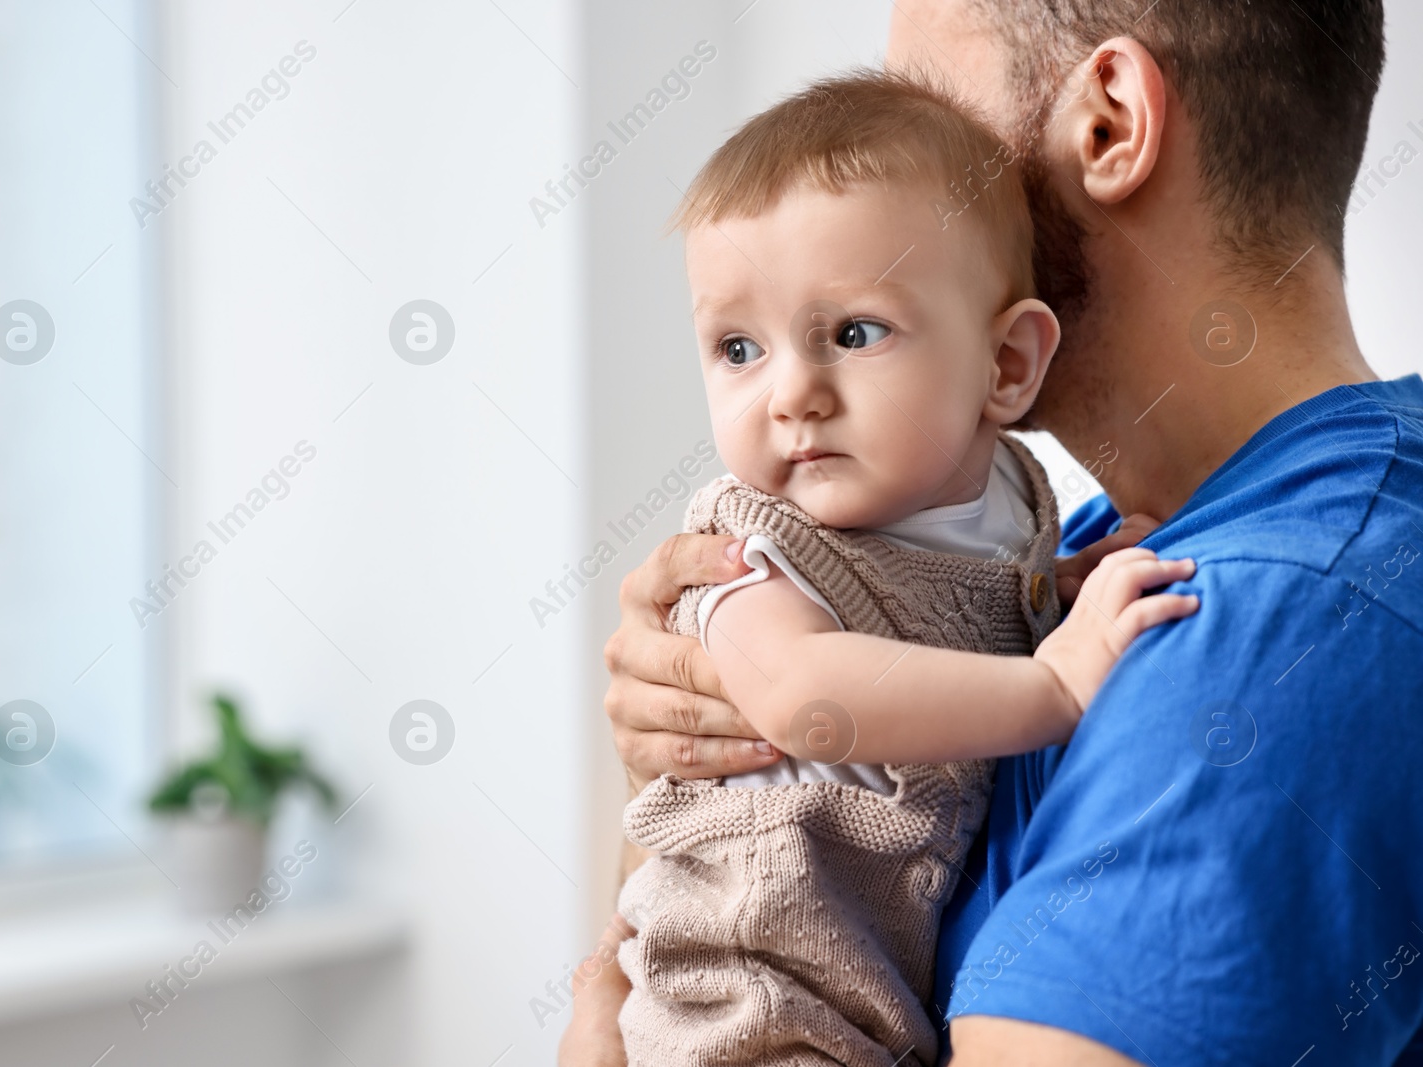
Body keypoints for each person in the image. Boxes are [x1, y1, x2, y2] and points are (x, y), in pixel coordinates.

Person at [564, 1, 1423, 1064]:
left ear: (1107, 124)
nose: (878, 153)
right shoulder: (1098, 552)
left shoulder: (1265, 629)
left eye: (919, 103)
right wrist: (678, 739)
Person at [616, 70, 1196, 1067]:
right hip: (753, 994)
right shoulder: (746, 549)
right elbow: (804, 693)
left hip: (885, 988)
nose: (791, 393)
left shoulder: (1008, 493)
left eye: (852, 333)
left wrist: (1053, 588)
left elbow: (962, 595)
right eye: (738, 347)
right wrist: (1053, 682)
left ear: (1006, 365)